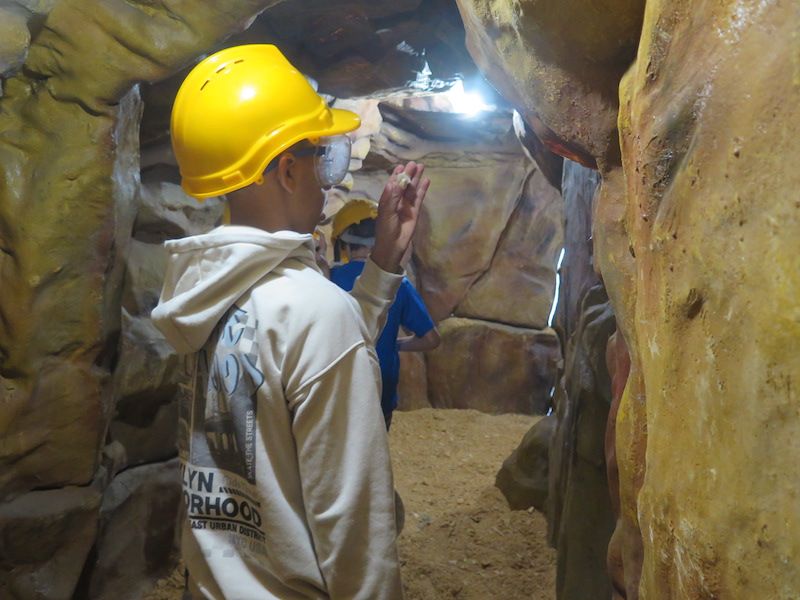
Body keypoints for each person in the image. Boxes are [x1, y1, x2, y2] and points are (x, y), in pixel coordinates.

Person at [151, 44, 430, 600]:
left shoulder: (203, 291)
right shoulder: (313, 313)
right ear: (286, 169)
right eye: (322, 156)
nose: (329, 178)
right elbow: (355, 534)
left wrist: (380, 272)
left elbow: (290, 372)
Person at [330, 200, 440, 430]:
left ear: (342, 243)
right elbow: (431, 339)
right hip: (381, 391)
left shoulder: (327, 279)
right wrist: (392, 344)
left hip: (337, 392)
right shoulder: (399, 284)